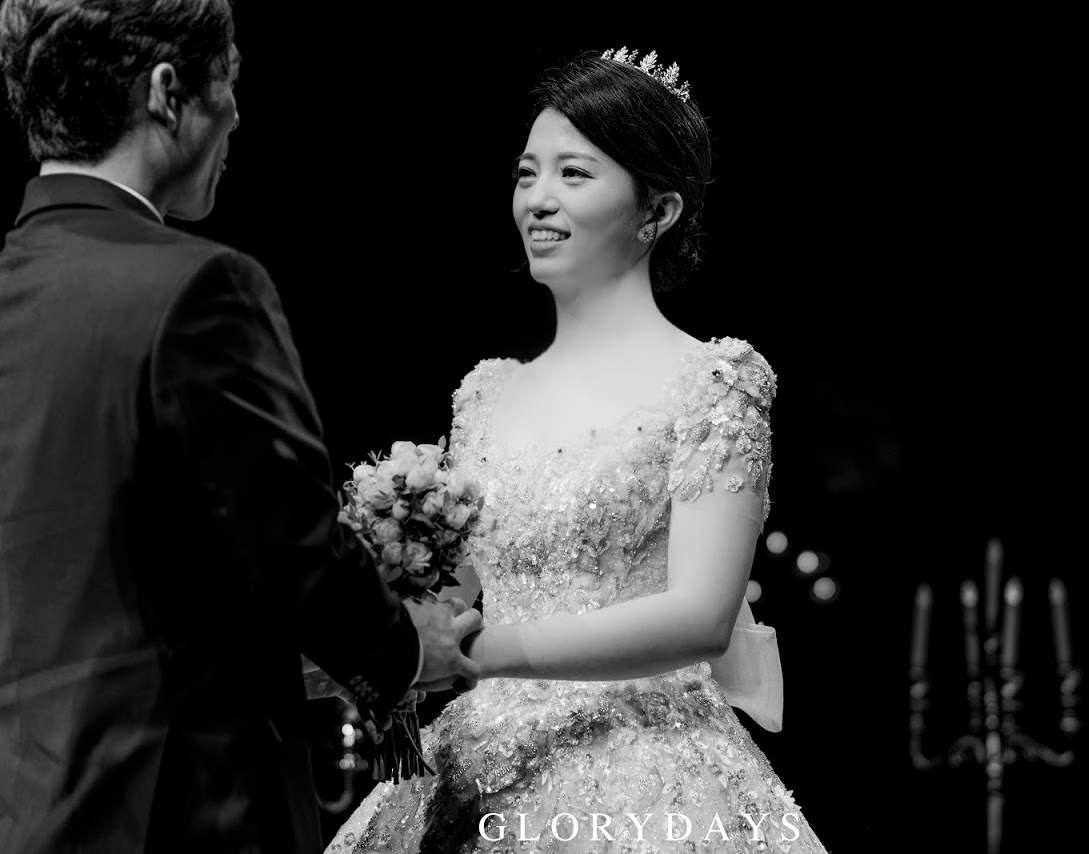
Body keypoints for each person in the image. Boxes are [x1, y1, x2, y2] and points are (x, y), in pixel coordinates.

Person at [0, 3, 480, 852]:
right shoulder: (198, 288)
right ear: (167, 93)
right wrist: (408, 650)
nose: (235, 115)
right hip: (181, 802)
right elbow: (292, 548)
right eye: (230, 80)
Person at [328, 49, 828, 852]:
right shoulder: (486, 392)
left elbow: (700, 617)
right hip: (478, 757)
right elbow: (464, 589)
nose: (538, 199)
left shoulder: (714, 383)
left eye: (574, 174)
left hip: (648, 765)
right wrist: (381, 622)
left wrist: (476, 652)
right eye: (527, 174)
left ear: (656, 210)